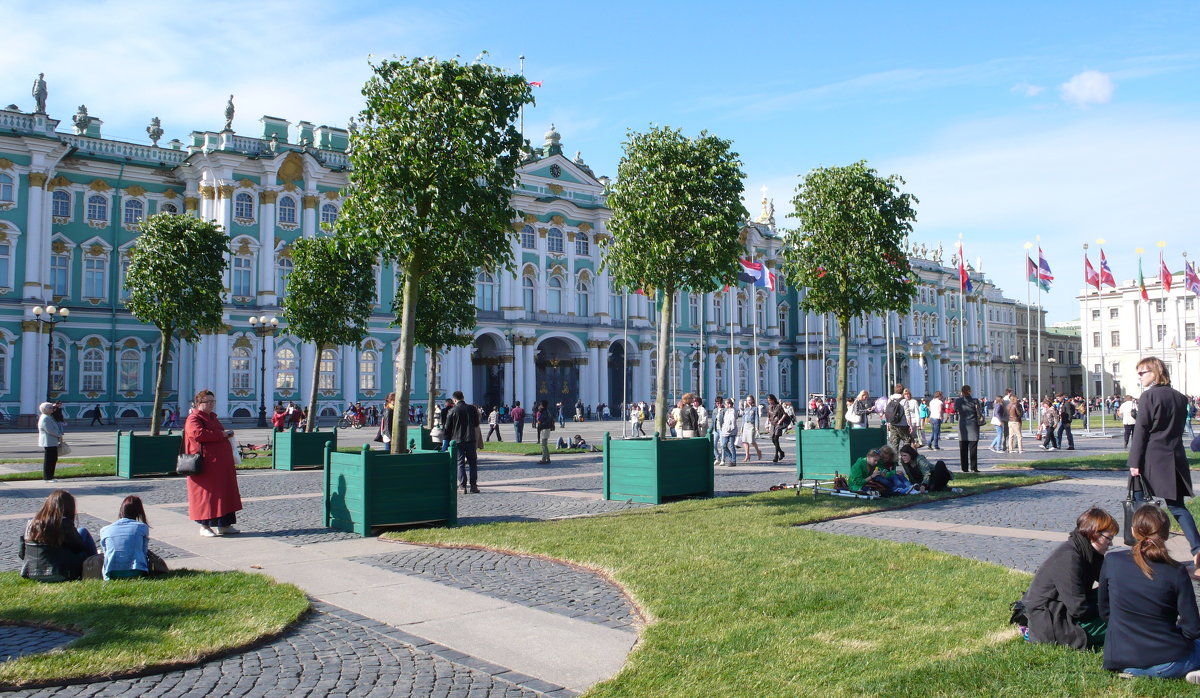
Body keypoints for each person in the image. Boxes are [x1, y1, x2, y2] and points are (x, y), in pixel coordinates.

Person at [1100, 505, 1200, 682]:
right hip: (1167, 660)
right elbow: (1192, 629)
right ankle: (1187, 670)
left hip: (1121, 658)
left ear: (1133, 531)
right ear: (1167, 535)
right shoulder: (1176, 572)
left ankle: (1137, 673)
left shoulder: (1112, 561)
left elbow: (1105, 611)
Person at [1127, 356, 1200, 575]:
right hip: (1174, 457)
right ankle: (1197, 548)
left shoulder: (1149, 396)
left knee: (1141, 508)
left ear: (1156, 372)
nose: (1139, 376)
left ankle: (1145, 554)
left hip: (1151, 458)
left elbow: (1141, 432)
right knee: (1177, 507)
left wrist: (1134, 462)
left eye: (1143, 372)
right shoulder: (1179, 397)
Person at [1021, 507, 1117, 650]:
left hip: (1064, 610)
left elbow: (1110, 582)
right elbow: (1079, 609)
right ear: (1094, 534)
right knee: (1121, 623)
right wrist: (1110, 608)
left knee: (1114, 596)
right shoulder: (1069, 558)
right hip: (1052, 621)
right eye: (1108, 538)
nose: (1111, 544)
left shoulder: (1089, 552)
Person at [184, 389, 243, 537]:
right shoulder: (194, 418)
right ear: (199, 403)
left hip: (220, 464)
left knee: (225, 494)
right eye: (207, 402)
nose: (211, 404)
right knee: (206, 496)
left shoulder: (213, 418)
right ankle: (204, 526)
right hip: (206, 465)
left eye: (213, 401)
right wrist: (222, 434)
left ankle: (224, 524)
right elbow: (198, 434)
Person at [20, 490, 96, 582]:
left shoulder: (30, 524)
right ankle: (95, 564)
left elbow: (22, 553)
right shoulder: (64, 523)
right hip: (60, 573)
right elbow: (78, 548)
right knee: (83, 531)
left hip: (31, 573)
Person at [98, 496, 167, 580]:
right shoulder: (142, 527)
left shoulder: (105, 530)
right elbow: (143, 552)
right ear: (139, 512)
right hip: (136, 571)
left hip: (111, 573)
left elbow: (106, 554)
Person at [444, 390, 480, 493]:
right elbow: (476, 423)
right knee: (473, 463)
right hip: (471, 439)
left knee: (460, 463)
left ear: (454, 399)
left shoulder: (452, 411)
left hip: (457, 440)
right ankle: (473, 486)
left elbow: (447, 427)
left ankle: (462, 486)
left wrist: (447, 439)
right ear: (463, 398)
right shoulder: (472, 409)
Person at [953, 385, 982, 473]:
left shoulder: (958, 401)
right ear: (970, 391)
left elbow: (955, 409)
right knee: (973, 448)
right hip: (973, 425)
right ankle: (974, 467)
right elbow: (979, 411)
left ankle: (964, 468)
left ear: (962, 392)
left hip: (963, 427)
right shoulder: (975, 401)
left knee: (963, 449)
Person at [37, 401, 64, 482]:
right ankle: (48, 477)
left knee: (53, 459)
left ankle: (50, 476)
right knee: (49, 460)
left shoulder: (48, 417)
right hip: (48, 441)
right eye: (50, 407)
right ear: (45, 409)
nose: (52, 409)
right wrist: (59, 436)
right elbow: (49, 430)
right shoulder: (45, 418)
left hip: (52, 441)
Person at [884, 385, 912, 453]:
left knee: (894, 443)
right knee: (907, 440)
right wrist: (910, 425)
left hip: (892, 424)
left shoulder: (890, 399)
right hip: (903, 424)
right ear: (902, 391)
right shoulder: (904, 401)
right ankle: (905, 458)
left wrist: (888, 422)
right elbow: (907, 414)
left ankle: (894, 461)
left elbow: (886, 411)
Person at [767, 394, 790, 462]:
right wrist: (767, 425)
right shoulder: (769, 407)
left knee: (776, 438)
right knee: (773, 440)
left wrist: (780, 420)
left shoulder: (778, 406)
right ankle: (781, 452)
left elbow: (784, 414)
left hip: (778, 424)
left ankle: (776, 455)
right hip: (772, 424)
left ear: (773, 399)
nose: (769, 402)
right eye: (768, 400)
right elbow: (768, 416)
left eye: (770, 400)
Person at [741, 395, 763, 463]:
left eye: (750, 400)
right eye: (747, 400)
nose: (749, 402)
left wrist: (757, 427)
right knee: (745, 441)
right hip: (745, 425)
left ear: (753, 400)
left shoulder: (755, 408)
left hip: (751, 425)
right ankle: (747, 455)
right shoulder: (746, 409)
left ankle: (758, 451)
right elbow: (743, 419)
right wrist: (741, 428)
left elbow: (756, 418)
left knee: (751, 441)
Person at [536, 399, 555, 464]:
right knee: (545, 445)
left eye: (540, 404)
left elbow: (541, 420)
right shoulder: (546, 411)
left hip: (544, 429)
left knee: (543, 445)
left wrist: (540, 424)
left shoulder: (544, 412)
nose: (539, 406)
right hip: (546, 429)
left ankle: (544, 459)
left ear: (542, 405)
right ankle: (547, 458)